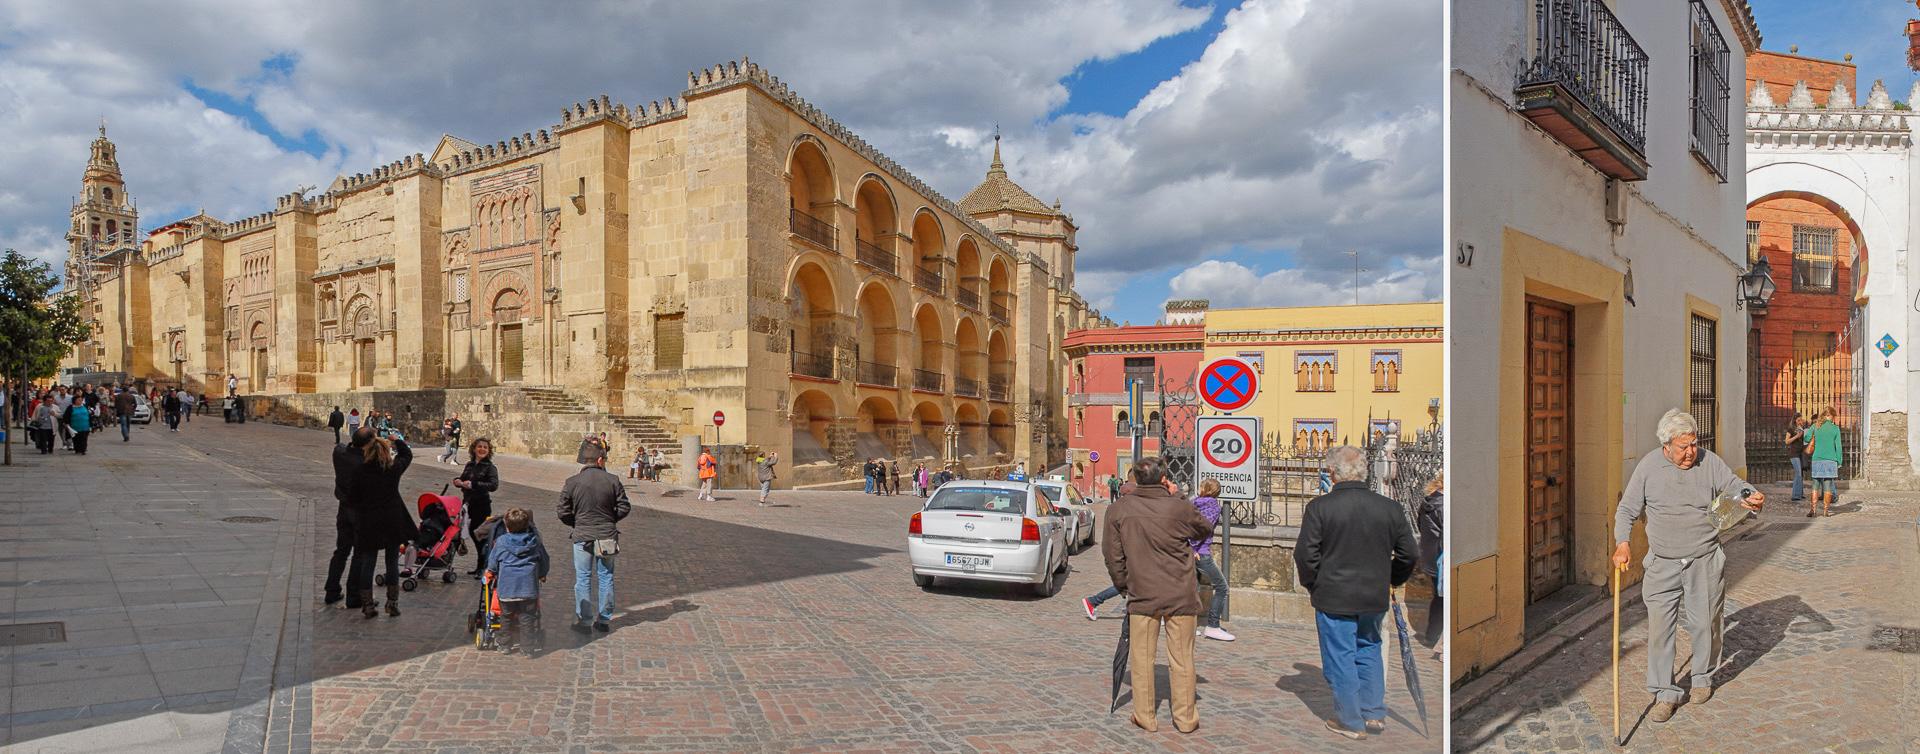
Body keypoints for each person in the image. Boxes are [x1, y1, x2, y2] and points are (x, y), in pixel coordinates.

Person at [1612, 409, 1762, 723]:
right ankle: (1665, 693)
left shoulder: (1709, 462)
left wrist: (1752, 496)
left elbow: (1735, 485)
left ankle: (1703, 678)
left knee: (1707, 623)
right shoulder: (1649, 467)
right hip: (1662, 563)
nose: (1691, 452)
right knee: (1660, 632)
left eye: (1694, 444)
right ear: (1666, 446)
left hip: (1704, 559)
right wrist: (1622, 543)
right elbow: (1627, 508)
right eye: (1683, 447)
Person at [1296, 445, 1419, 740]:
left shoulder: (1320, 507)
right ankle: (1373, 713)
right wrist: (1392, 579)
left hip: (1334, 594)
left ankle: (1351, 720)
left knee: (1341, 655)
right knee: (1369, 649)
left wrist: (1314, 584)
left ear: (1332, 472)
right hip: (1373, 594)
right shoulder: (1388, 507)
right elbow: (1409, 553)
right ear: (1364, 472)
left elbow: (1305, 556)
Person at [1102, 457, 1212, 734]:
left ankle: (1145, 716)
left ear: (1135, 478)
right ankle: (1186, 719)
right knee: (1182, 658)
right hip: (1180, 592)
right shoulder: (1179, 507)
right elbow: (1205, 528)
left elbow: (1112, 555)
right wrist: (1180, 497)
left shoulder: (1118, 509)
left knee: (1141, 658)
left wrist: (1124, 585)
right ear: (1164, 479)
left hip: (1142, 591)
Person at [343, 426, 419, 619]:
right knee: (392, 562)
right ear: (386, 452)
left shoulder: (360, 471)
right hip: (392, 521)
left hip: (369, 522)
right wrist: (397, 440)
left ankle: (368, 605)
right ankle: (392, 603)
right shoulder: (392, 469)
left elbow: (351, 498)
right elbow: (406, 455)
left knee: (368, 563)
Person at [558, 440, 630, 633]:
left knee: (583, 578)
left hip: (582, 534)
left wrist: (575, 522)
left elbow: (562, 511)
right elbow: (625, 507)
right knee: (606, 577)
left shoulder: (572, 482)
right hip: (606, 535)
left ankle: (584, 621)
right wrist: (610, 519)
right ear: (600, 460)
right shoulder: (613, 480)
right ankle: (604, 620)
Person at [486, 507, 550, 657]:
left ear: (507, 527)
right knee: (527, 619)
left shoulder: (501, 542)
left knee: (506, 617)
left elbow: (493, 563)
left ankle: (504, 645)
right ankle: (527, 648)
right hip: (528, 589)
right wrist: (541, 574)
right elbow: (544, 561)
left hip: (506, 588)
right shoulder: (534, 542)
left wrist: (492, 572)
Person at [1190, 479, 1232, 642]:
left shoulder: (1194, 503)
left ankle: (1189, 626)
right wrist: (1194, 548)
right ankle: (1213, 626)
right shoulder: (1213, 506)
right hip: (1201, 552)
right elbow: (1202, 528)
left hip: (1193, 550)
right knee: (1222, 588)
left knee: (1194, 588)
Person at [325, 429, 361, 608]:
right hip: (360, 512)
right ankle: (354, 595)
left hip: (343, 509)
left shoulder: (340, 454)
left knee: (341, 551)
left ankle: (331, 590)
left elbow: (340, 446)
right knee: (359, 554)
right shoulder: (366, 462)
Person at [456, 437, 501, 576]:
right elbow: (463, 478)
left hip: (481, 504)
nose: (482, 449)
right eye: (480, 446)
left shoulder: (490, 467)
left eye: (485, 447)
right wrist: (457, 481)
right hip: (468, 503)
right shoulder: (470, 465)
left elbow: (493, 485)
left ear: (488, 451)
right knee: (471, 534)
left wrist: (473, 485)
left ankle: (484, 566)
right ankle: (480, 565)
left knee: (480, 536)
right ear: (474, 449)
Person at [1418, 473, 1446, 652]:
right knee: (1441, 599)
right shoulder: (1444, 505)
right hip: (1440, 558)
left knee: (1438, 597)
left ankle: (1431, 635)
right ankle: (1434, 636)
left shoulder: (1429, 500)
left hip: (1429, 558)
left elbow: (1420, 526)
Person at [1806, 407, 1842, 517]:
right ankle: (1826, 511)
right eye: (1833, 416)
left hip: (1817, 458)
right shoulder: (1835, 429)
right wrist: (1839, 462)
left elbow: (1807, 439)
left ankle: (1813, 509)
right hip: (1831, 459)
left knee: (1815, 483)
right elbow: (1839, 447)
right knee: (1828, 484)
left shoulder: (1815, 425)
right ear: (1830, 415)